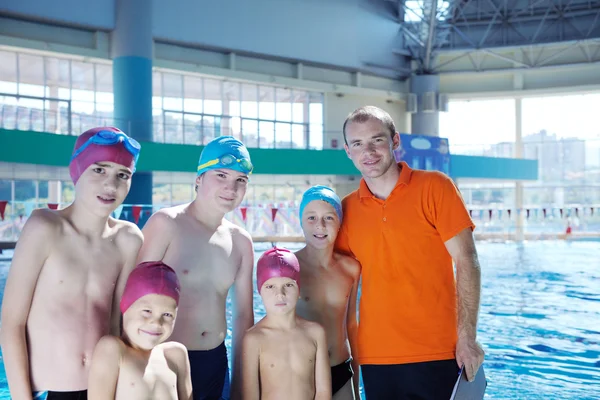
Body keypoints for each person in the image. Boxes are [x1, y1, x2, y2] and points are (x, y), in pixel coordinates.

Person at [335, 106, 485, 399]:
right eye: (358, 144)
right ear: (348, 151)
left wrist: (468, 337)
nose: (368, 151)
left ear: (394, 141)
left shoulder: (435, 187)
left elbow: (467, 260)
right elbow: (338, 282)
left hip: (440, 349)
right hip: (376, 356)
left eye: (377, 140)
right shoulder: (347, 209)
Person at [1, 127, 144, 400]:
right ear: (77, 170)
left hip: (104, 389)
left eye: (122, 175)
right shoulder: (45, 227)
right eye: (99, 170)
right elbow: (11, 323)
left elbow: (119, 322)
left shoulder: (128, 239)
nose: (110, 185)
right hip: (48, 389)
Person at [137, 136, 255, 400]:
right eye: (221, 175)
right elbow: (130, 301)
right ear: (199, 178)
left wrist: (241, 383)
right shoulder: (167, 224)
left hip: (215, 361)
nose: (231, 187)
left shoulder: (241, 242)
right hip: (163, 359)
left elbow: (243, 317)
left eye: (240, 180)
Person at [88, 261, 193, 400]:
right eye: (147, 311)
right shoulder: (114, 350)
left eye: (167, 315)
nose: (156, 322)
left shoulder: (176, 355)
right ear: (125, 306)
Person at [294, 186, 361, 399]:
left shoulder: (351, 268)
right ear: (301, 222)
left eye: (329, 218)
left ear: (340, 223)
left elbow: (351, 326)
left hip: (341, 368)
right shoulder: (290, 267)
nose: (320, 226)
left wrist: (357, 385)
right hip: (302, 374)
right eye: (311, 217)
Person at [241, 247, 331, 400]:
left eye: (288, 285)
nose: (280, 294)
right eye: (270, 286)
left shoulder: (315, 333)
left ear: (299, 288)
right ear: (259, 291)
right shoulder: (254, 339)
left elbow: (323, 393)